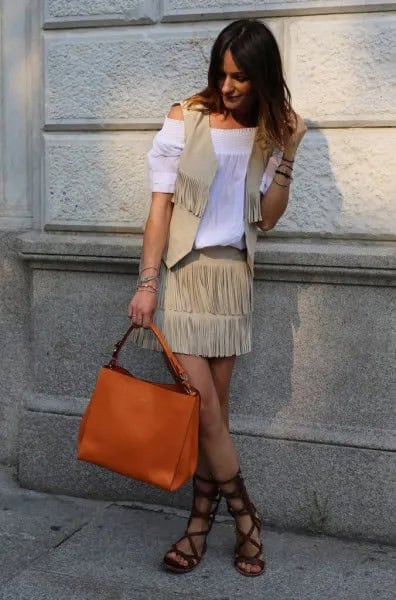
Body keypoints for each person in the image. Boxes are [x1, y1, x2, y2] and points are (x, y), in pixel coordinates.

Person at [127, 18, 307, 577]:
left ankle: (197, 526)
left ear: (261, 78)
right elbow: (160, 209)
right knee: (204, 410)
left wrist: (291, 151)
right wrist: (148, 281)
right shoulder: (186, 119)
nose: (227, 87)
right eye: (222, 74)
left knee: (215, 420)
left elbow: (268, 219)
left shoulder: (270, 133)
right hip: (182, 277)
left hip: (231, 280)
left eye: (241, 78)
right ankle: (248, 519)